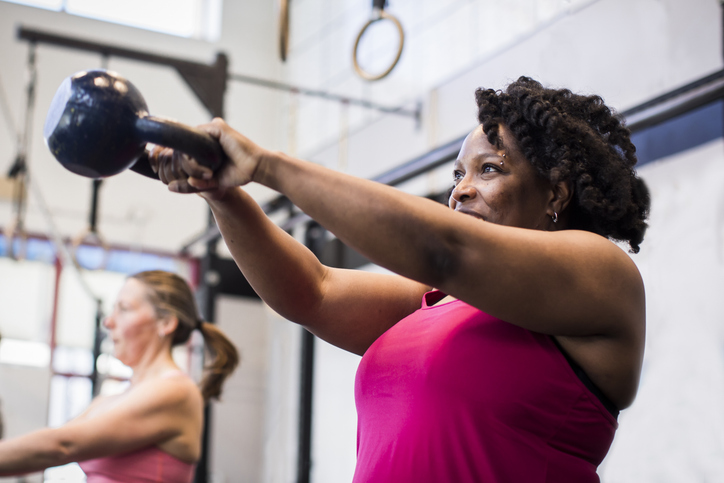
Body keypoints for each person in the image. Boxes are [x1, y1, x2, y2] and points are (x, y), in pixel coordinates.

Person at [151, 76, 650, 483]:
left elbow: (446, 250)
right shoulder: (439, 302)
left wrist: (265, 165)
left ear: (555, 195)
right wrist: (223, 193)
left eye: (490, 169)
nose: (461, 192)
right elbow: (314, 293)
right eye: (458, 176)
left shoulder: (602, 274)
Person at [0, 270, 239, 482]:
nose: (108, 321)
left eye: (124, 309)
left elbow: (61, 446)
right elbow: (51, 442)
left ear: (165, 323)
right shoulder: (108, 402)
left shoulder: (176, 391)